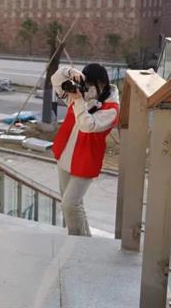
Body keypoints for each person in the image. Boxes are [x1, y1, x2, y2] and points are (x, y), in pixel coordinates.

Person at [51, 64, 120, 237]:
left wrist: (79, 100)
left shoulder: (111, 109)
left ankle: (77, 240)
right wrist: (69, 72)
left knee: (70, 204)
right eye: (85, 84)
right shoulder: (80, 96)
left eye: (89, 85)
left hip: (85, 161)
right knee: (72, 203)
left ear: (101, 84)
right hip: (65, 155)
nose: (86, 89)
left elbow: (87, 126)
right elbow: (55, 80)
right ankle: (85, 237)